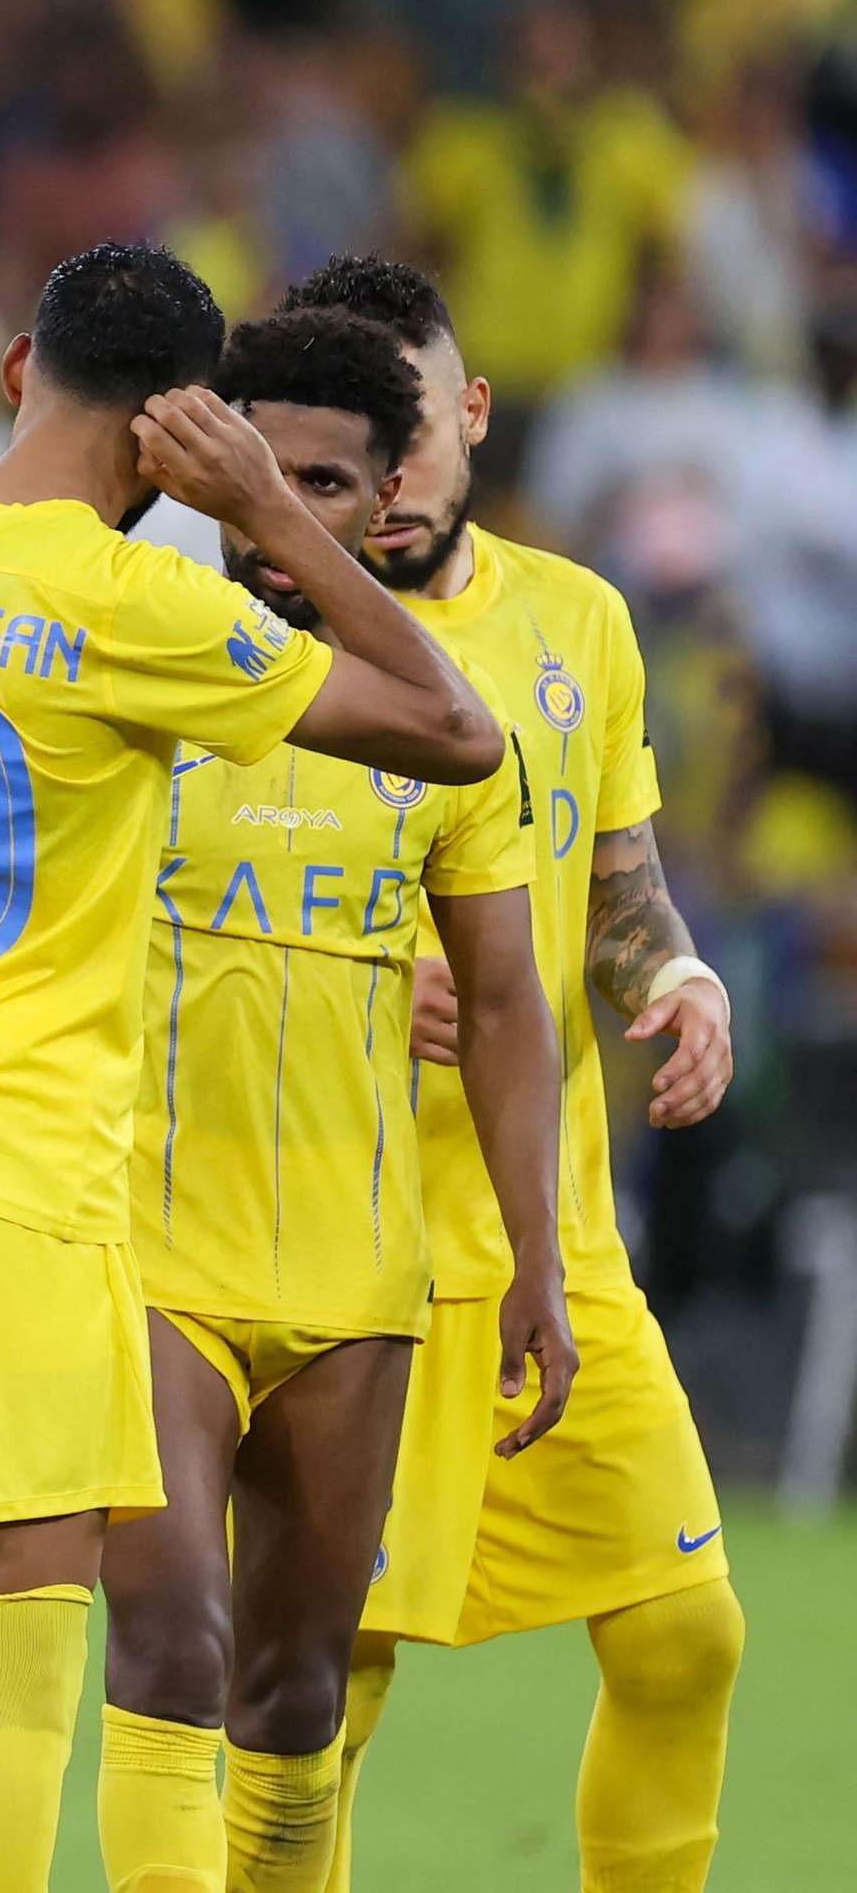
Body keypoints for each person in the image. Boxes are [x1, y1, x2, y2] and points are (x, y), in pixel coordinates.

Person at [0, 241, 502, 1893]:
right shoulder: (136, 604)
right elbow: (453, 728)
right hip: (12, 1160)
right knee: (20, 1663)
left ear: (12, 371)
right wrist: (268, 513)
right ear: (176, 431)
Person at [94, 308, 577, 1893]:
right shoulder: (139, 645)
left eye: (315, 486)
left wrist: (537, 1266)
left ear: (383, 504)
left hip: (358, 1283)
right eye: (252, 475)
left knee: (295, 1696)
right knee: (168, 1648)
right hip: (148, 1253)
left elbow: (507, 1005)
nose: (270, 519)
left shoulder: (443, 721)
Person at [281, 257, 748, 1893]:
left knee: (688, 1639)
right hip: (349, 1245)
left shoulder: (579, 623)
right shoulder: (249, 646)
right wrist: (342, 966)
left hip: (555, 1241)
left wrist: (673, 974)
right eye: (346, 446)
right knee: (326, 1696)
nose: (389, 479)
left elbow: (611, 878)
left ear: (467, 417)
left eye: (408, 430)